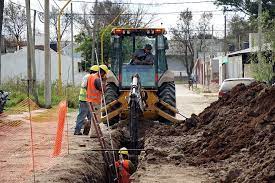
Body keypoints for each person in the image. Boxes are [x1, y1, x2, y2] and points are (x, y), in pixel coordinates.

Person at [74, 65, 99, 135]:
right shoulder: (88, 77)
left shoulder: (89, 77)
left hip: (88, 99)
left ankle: (87, 131)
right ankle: (77, 131)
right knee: (82, 115)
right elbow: (85, 86)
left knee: (90, 116)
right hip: (84, 99)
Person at [86, 64, 109, 138]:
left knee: (94, 117)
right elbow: (103, 90)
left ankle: (93, 132)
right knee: (97, 118)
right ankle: (94, 134)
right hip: (95, 101)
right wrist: (105, 81)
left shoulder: (90, 77)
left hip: (90, 100)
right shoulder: (97, 79)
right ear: (103, 73)